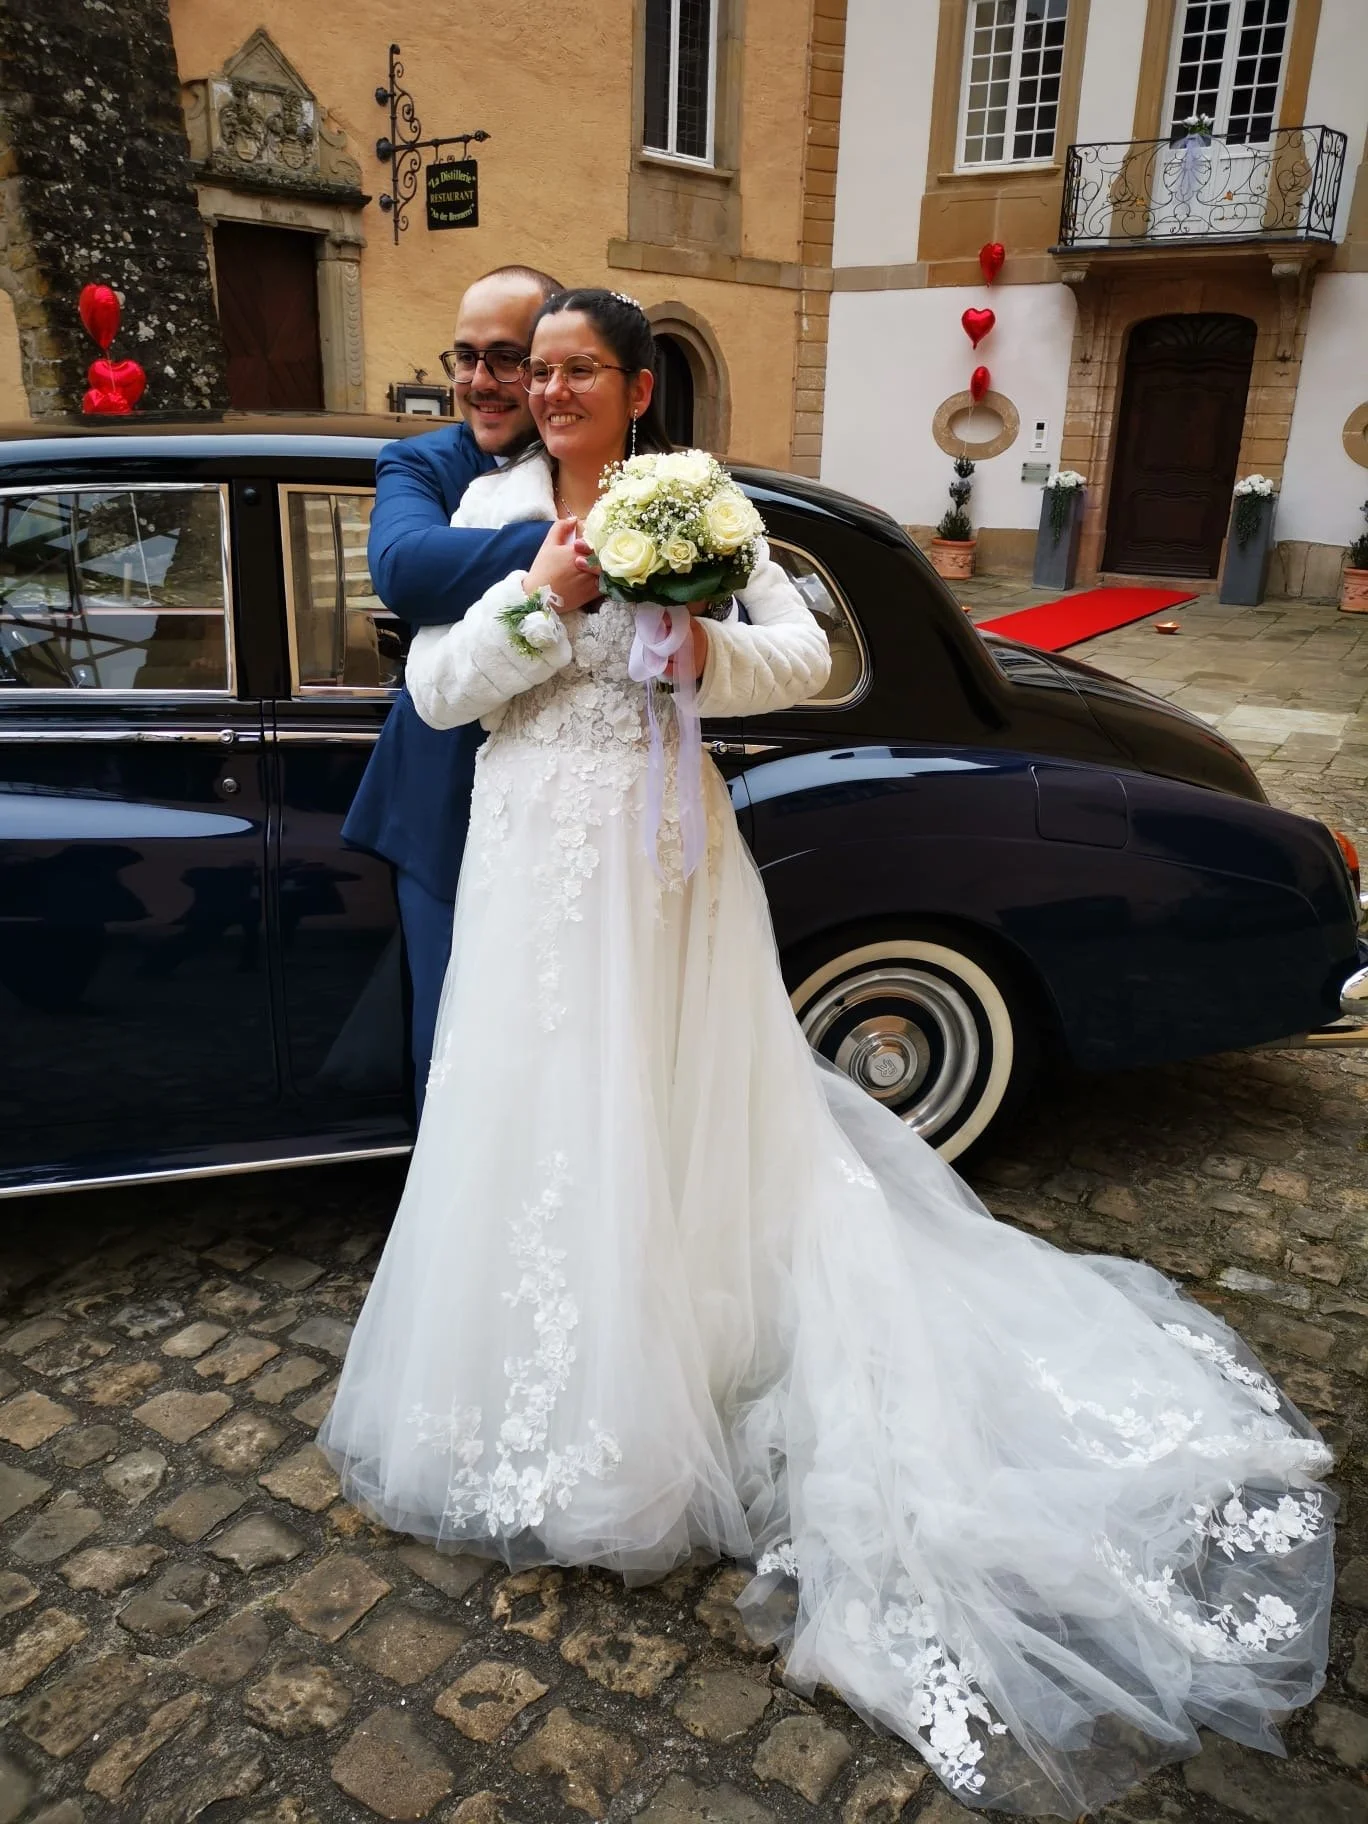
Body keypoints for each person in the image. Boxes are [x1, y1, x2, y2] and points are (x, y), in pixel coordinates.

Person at [318, 290, 1333, 1817]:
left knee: (680, 1103)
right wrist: (545, 593)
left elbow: (797, 660)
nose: (552, 389)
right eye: (539, 371)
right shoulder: (488, 501)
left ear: (636, 387)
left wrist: (686, 644)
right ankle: (556, 1395)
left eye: (579, 369)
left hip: (668, 866)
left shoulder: (705, 500)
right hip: (533, 865)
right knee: (539, 1114)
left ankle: (705, 1358)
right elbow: (439, 690)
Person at [342, 264, 589, 1111]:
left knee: (574, 1034)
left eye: (507, 358)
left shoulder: (608, 459)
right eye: (466, 356)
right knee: (455, 1036)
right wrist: (585, 554)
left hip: (582, 799)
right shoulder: (420, 463)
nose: (481, 382)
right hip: (446, 793)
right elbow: (406, 570)